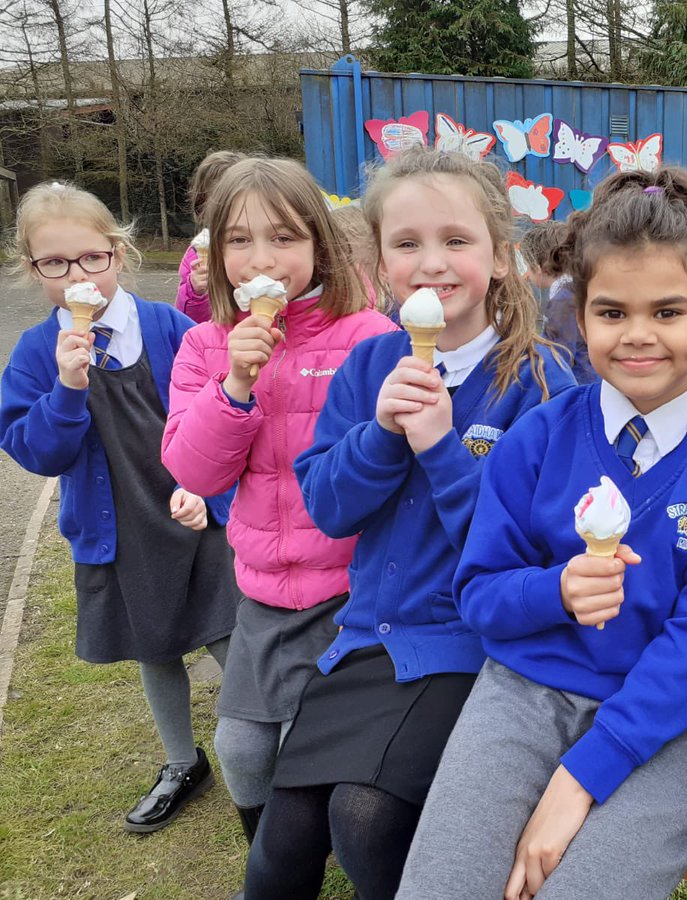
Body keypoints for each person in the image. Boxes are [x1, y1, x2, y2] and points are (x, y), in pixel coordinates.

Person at [398, 166, 687, 900]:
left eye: (668, 313)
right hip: (524, 694)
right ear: (579, 316)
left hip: (680, 725)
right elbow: (480, 595)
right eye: (612, 313)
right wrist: (556, 590)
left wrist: (579, 779)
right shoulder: (540, 438)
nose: (638, 336)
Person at [240, 145, 575, 900]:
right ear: (380, 262)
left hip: (475, 649)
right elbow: (328, 506)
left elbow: (527, 552)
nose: (433, 263)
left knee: (365, 818)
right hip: (371, 640)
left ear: (500, 256)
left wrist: (441, 448)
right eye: (407, 244)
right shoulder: (370, 367)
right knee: (281, 843)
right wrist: (380, 435)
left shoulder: (543, 383)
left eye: (456, 241)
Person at [160, 157, 396, 846]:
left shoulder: (366, 337)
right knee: (239, 749)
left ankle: (306, 856)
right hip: (263, 596)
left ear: (318, 244)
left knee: (306, 749)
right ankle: (268, 851)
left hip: (349, 593)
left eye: (284, 237)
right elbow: (195, 471)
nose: (261, 257)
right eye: (238, 239)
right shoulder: (206, 348)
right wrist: (234, 384)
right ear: (214, 251)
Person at [0, 181, 240, 833]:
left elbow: (220, 417)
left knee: (232, 635)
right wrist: (67, 388)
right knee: (152, 646)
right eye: (56, 263)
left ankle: (272, 745)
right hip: (121, 529)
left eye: (91, 257)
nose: (77, 274)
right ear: (33, 268)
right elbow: (38, 452)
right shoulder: (34, 355)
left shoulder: (167, 326)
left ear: (119, 253)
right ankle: (180, 761)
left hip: (195, 515)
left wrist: (213, 494)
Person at [176, 150, 246, 323]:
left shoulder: (264, 247)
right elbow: (187, 321)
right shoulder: (197, 254)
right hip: (219, 342)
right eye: (218, 202)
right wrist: (194, 291)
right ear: (203, 204)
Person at [522, 219, 596, 383]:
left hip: (577, 383)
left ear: (539, 267)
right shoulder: (580, 288)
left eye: (528, 265)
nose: (527, 273)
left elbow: (559, 355)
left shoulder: (563, 301)